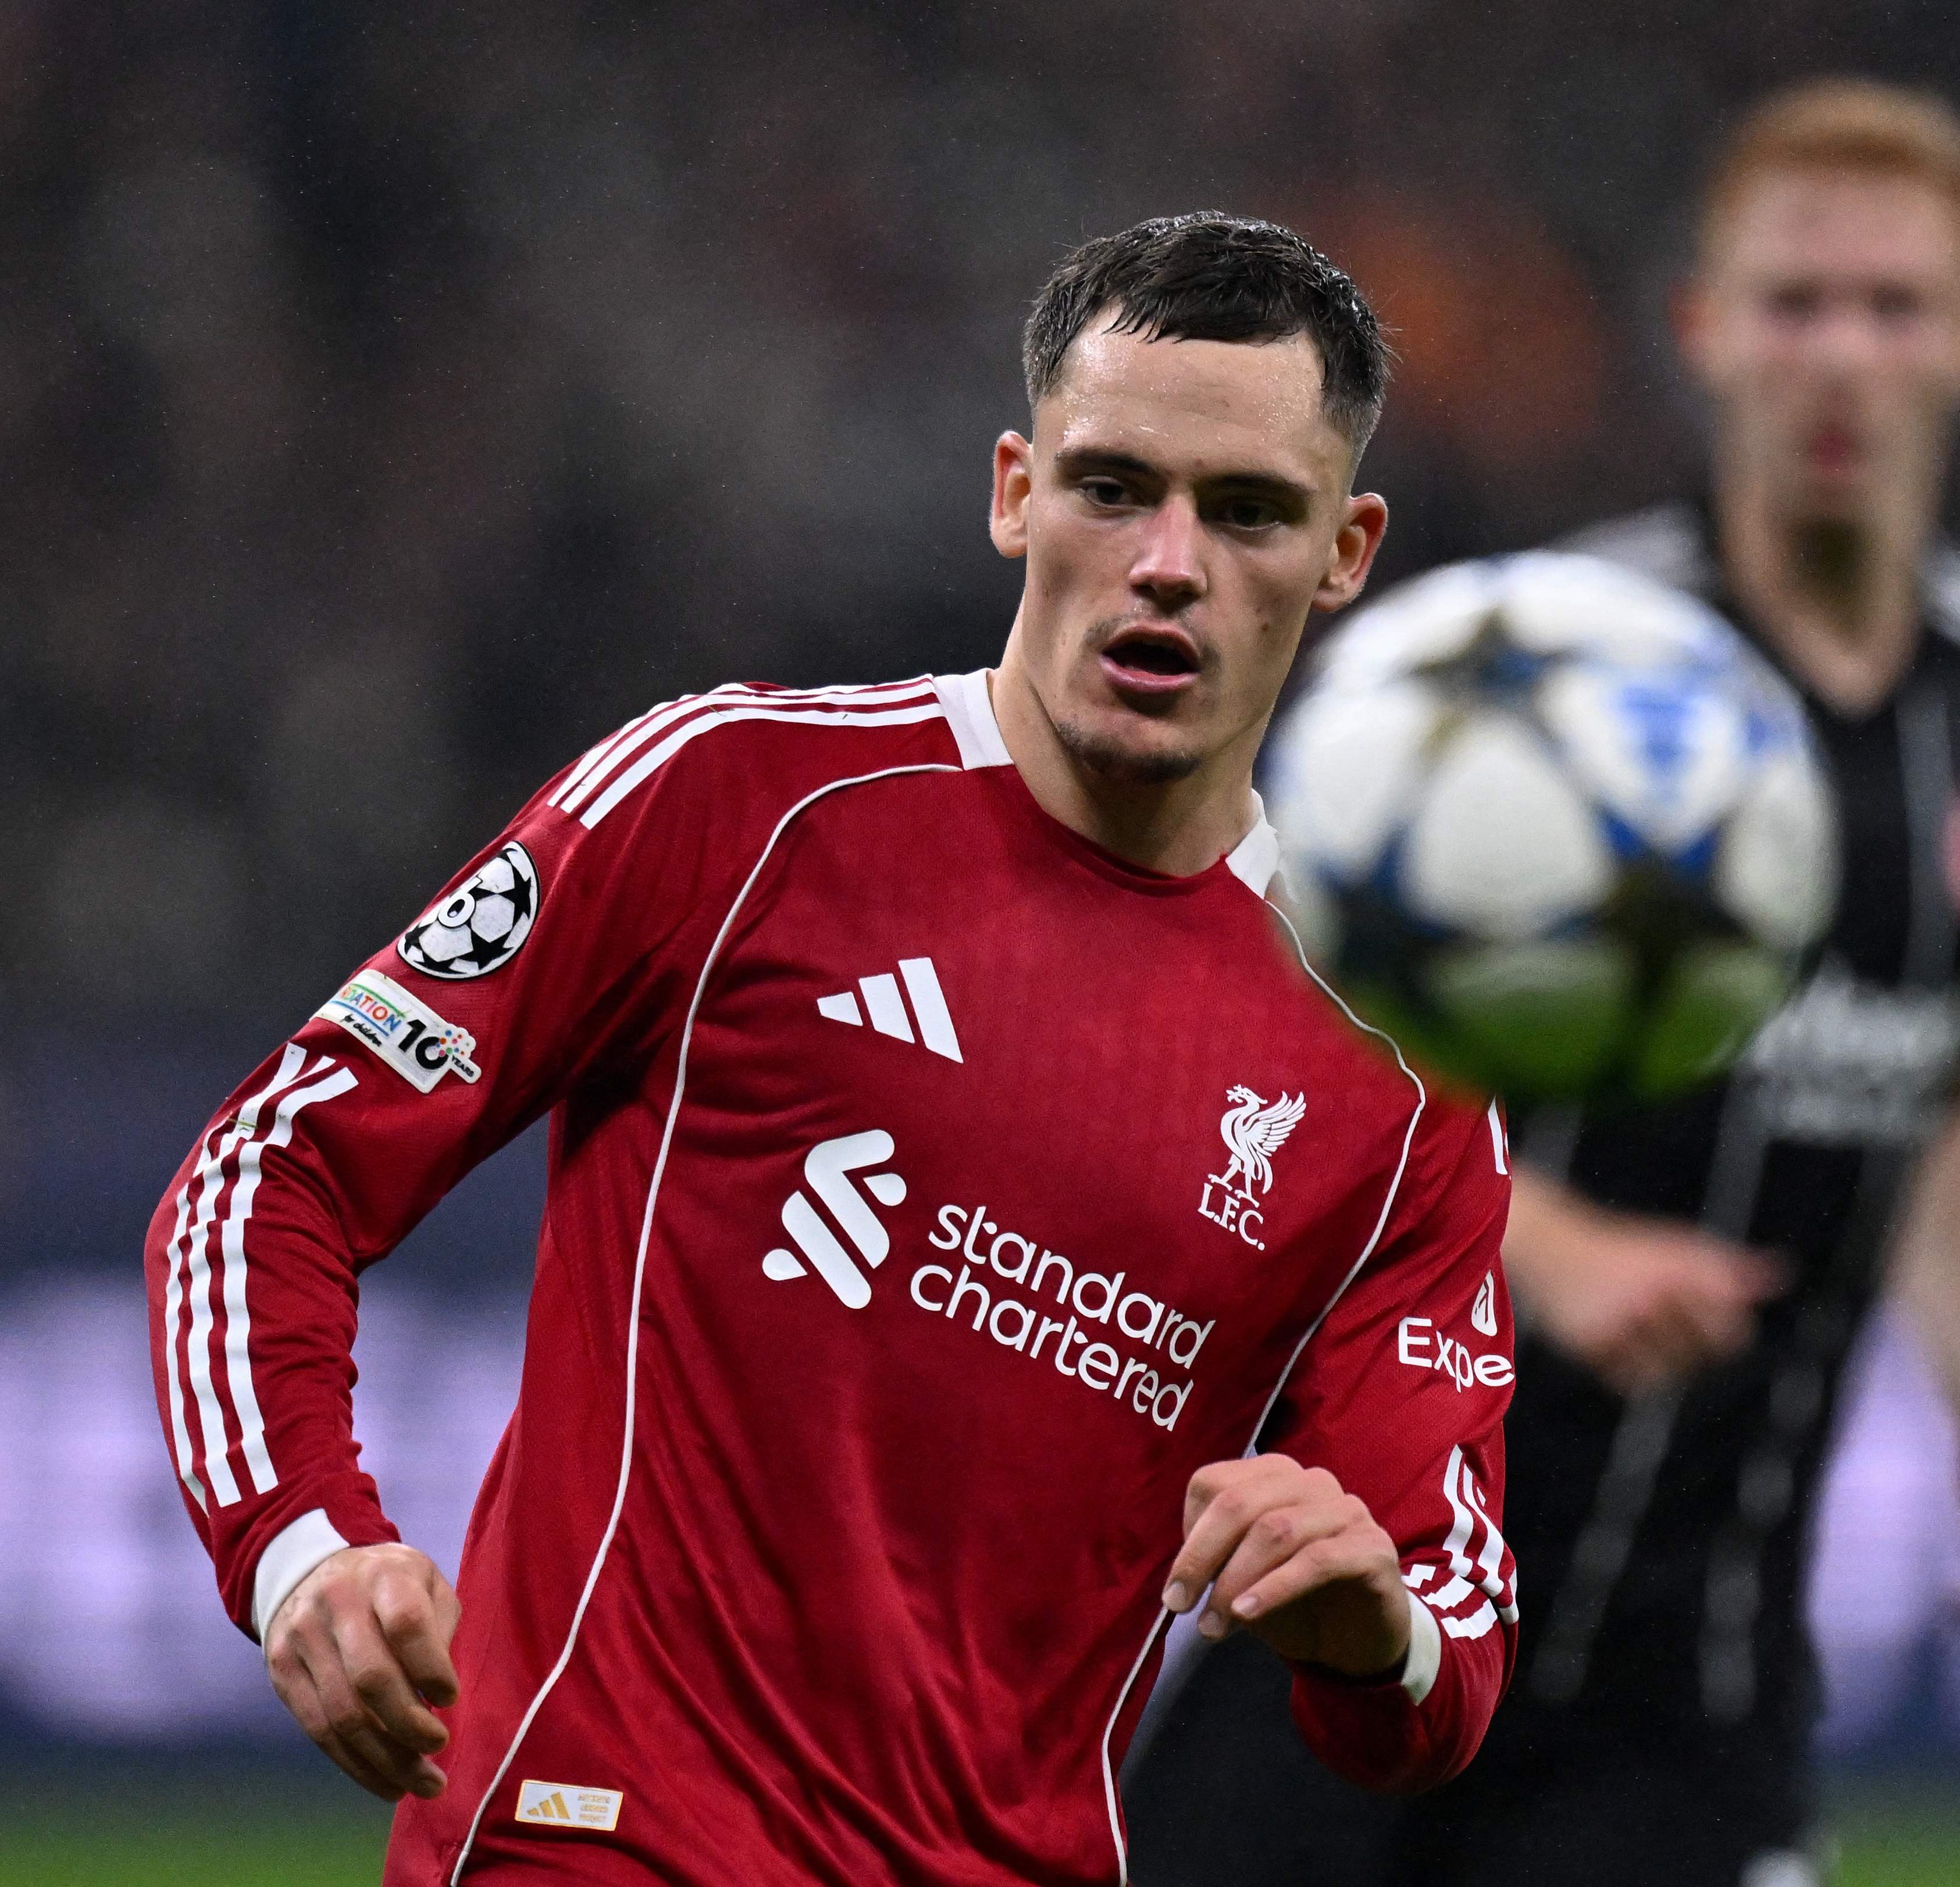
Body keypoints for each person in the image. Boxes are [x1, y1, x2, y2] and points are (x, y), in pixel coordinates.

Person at [141, 213, 1520, 1887]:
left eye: (1246, 512)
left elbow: (1445, 1659)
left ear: (1346, 552)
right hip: (597, 1843)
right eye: (1111, 488)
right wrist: (300, 1547)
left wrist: (1372, 1615)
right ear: (1014, 493)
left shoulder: (1400, 1086)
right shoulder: (735, 800)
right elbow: (270, 1169)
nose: (1169, 562)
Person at [1128, 82, 1960, 1885]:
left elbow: (1942, 1067)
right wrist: (1557, 1250)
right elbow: (1267, 1044)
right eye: (1795, 303)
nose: (1841, 355)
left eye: (1892, 307)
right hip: (1359, 1611)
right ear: (1703, 328)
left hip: (1694, 1698)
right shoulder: (1523, 666)